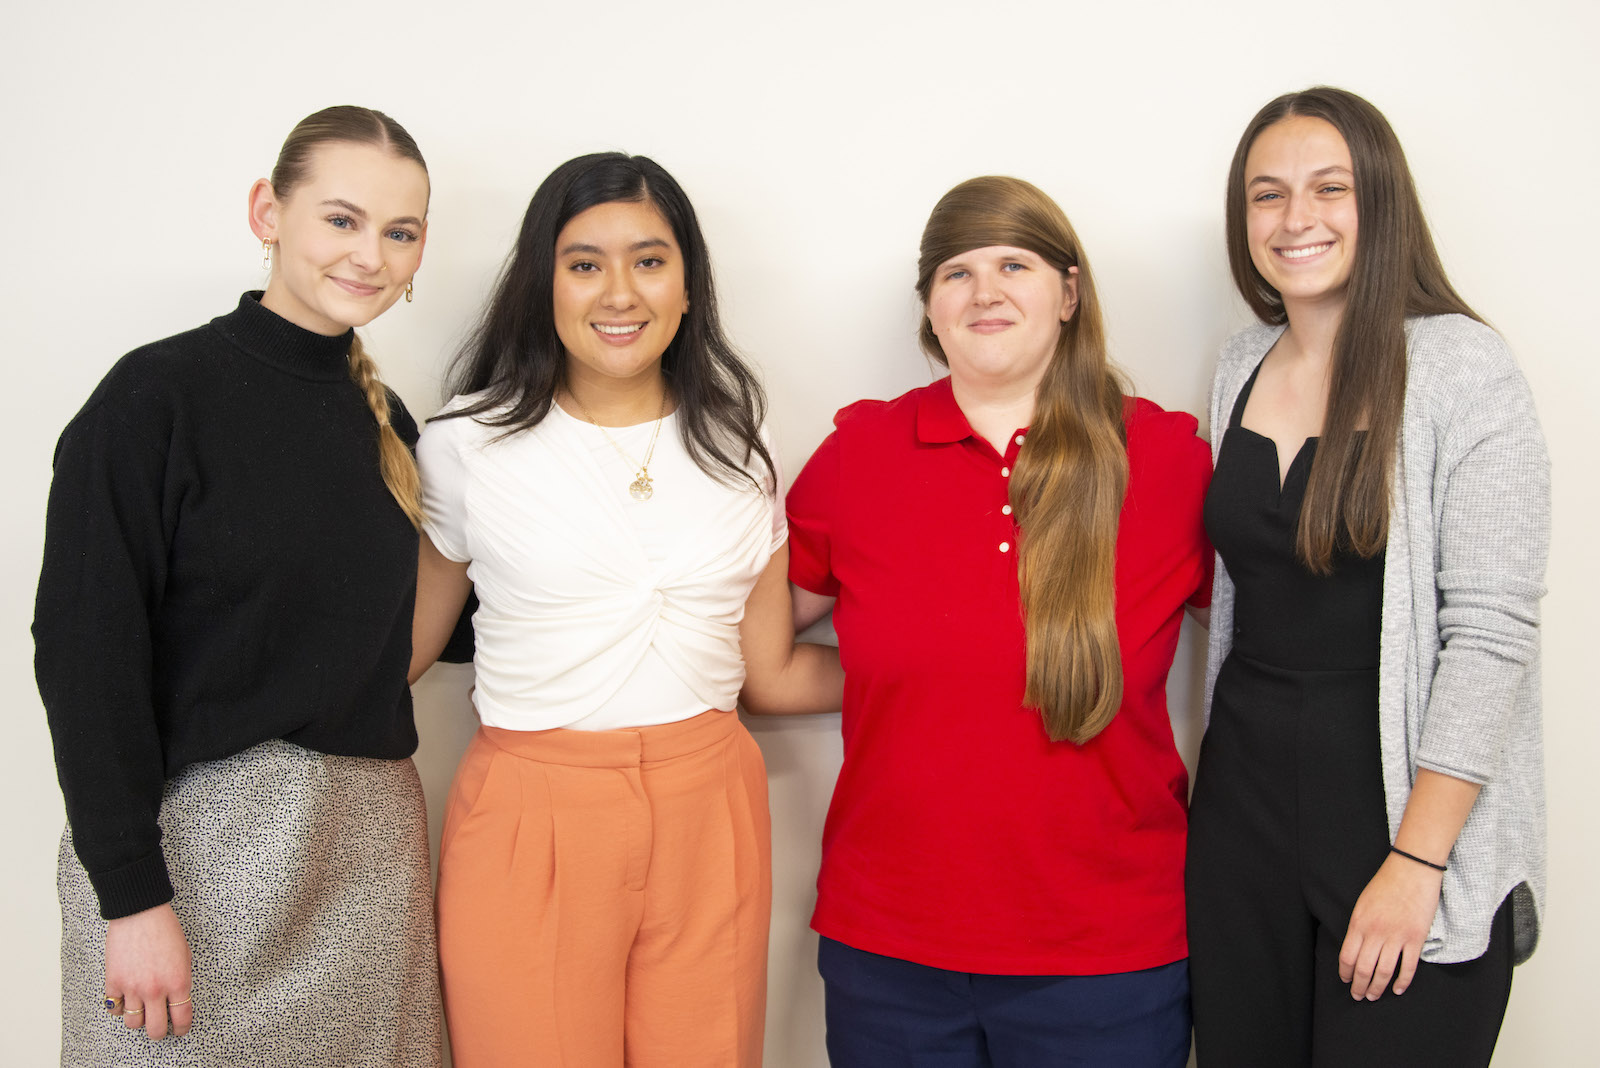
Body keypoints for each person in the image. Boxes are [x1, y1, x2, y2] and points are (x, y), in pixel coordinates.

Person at [751, 176, 1213, 1066]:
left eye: (1014, 264)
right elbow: (766, 670)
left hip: (1108, 959)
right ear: (930, 308)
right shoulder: (861, 456)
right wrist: (936, 669)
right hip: (890, 953)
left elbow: (1274, 644)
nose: (985, 290)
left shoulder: (1164, 459)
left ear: (1069, 293)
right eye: (956, 273)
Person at [408, 151, 839, 1068]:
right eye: (583, 262)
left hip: (712, 802)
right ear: (544, 284)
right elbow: (398, 653)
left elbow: (769, 672)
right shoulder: (464, 446)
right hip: (533, 811)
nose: (619, 292)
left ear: (688, 285)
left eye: (649, 260)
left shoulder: (738, 448)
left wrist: (962, 661)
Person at [33, 106, 444, 1065]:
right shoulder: (152, 400)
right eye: (341, 219)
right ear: (268, 211)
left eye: (401, 232)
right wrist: (130, 896)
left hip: (367, 866)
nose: (370, 255)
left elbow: (415, 645)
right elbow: (86, 660)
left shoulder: (394, 430)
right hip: (188, 866)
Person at [1185, 86, 1549, 1067]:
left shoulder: (1460, 367)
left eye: (1327, 188)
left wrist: (1416, 861)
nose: (1294, 219)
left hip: (1396, 818)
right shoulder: (1238, 362)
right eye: (1266, 195)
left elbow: (1490, 633)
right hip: (1242, 820)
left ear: (1380, 201)